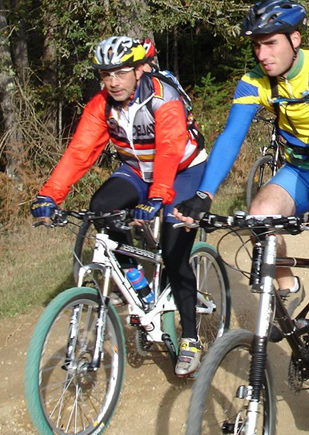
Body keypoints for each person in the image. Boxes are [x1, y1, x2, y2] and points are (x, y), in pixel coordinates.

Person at [173, 0, 309, 427]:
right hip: (298, 169)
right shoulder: (255, 81)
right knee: (258, 213)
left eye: (271, 43)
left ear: (295, 40)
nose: (262, 54)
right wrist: (203, 194)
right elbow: (230, 137)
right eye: (257, 46)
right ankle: (289, 285)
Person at [30, 36, 209, 378]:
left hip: (183, 170)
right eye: (105, 75)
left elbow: (170, 148)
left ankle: (189, 338)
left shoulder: (163, 98)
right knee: (100, 208)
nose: (112, 82)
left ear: (139, 71)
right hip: (137, 169)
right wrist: (50, 195)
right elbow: (81, 151)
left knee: (174, 250)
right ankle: (133, 275)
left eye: (120, 73)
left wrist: (158, 197)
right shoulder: (102, 105)